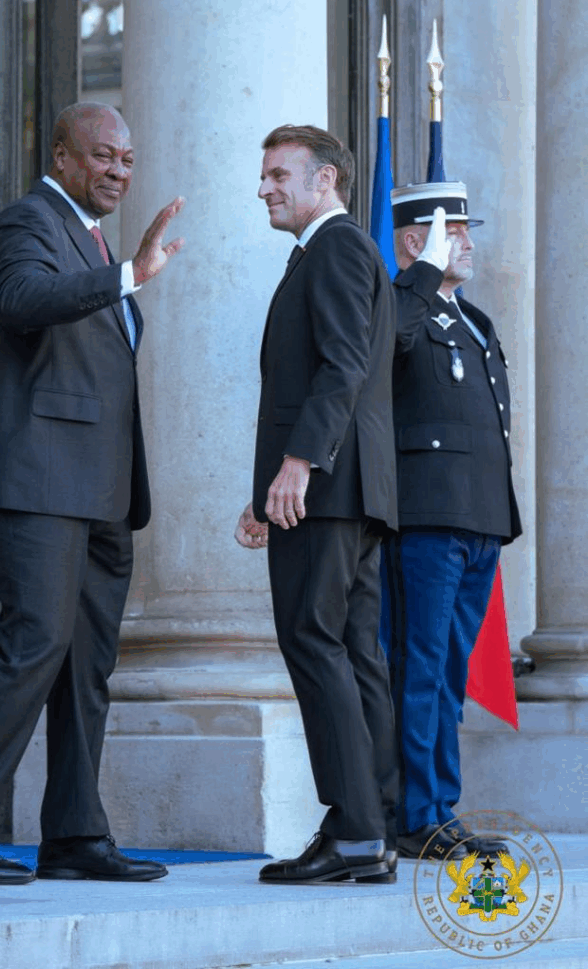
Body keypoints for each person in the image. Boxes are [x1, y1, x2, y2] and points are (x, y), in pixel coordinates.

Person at [0, 103, 184, 885]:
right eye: (102, 155)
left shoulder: (90, 239)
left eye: (127, 160)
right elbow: (22, 300)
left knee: (85, 665)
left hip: (100, 489)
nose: (118, 171)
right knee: (35, 642)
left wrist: (120, 270)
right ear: (60, 156)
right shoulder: (25, 223)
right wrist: (129, 276)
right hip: (34, 478)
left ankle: (74, 834)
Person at [235, 123, 400, 885]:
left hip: (326, 487)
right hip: (347, 488)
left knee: (312, 638)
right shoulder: (339, 251)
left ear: (324, 179)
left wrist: (297, 465)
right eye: (265, 175)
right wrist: (265, 489)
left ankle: (357, 830)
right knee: (354, 651)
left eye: (279, 175)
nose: (264, 188)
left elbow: (341, 367)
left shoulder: (334, 248)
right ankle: (369, 826)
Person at [381, 181, 522, 861]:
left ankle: (440, 808)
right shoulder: (400, 307)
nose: (467, 244)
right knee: (421, 667)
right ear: (416, 242)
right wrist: (421, 278)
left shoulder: (474, 320)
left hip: (477, 518)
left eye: (466, 231)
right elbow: (386, 349)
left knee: (449, 672)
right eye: (453, 232)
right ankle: (415, 813)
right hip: (427, 520)